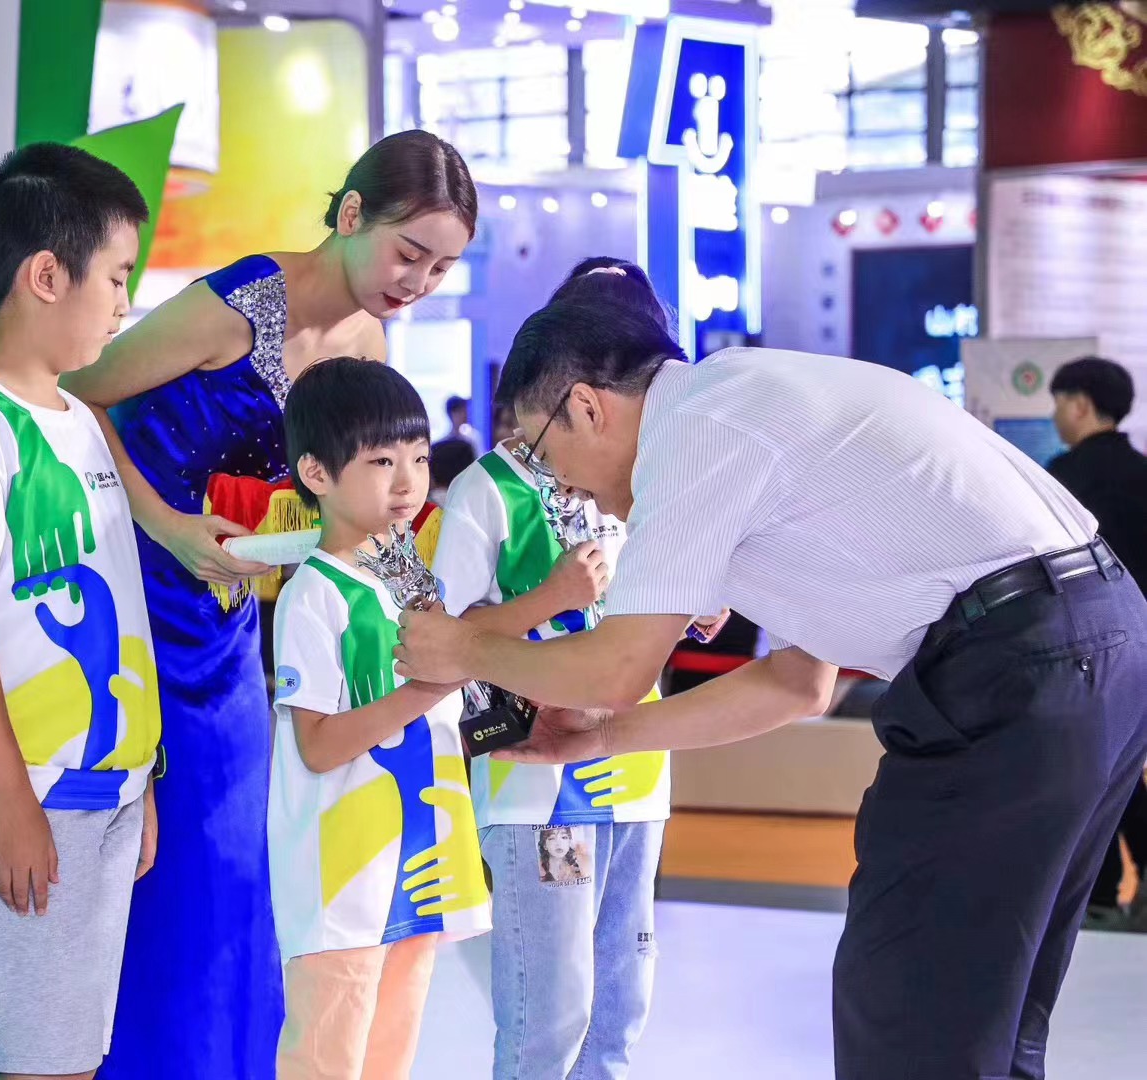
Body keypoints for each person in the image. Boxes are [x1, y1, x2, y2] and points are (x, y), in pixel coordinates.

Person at [393, 260, 1147, 1080]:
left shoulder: (696, 433)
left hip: (1017, 666)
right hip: (1094, 647)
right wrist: (602, 738)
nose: (565, 488)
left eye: (546, 455)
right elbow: (796, 684)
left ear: (586, 405)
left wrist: (463, 649)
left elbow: (616, 667)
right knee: (987, 1016)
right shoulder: (746, 414)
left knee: (914, 1005)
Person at [58, 129, 476, 1080]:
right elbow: (74, 397)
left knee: (250, 856)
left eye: (443, 268)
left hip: (236, 607)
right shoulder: (240, 302)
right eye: (409, 253)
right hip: (140, 588)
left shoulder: (368, 341)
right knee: (178, 858)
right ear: (352, 213)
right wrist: (167, 524)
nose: (418, 282)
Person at [0, 144, 161, 1080]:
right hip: (30, 796)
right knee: (44, 1060)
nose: (126, 301)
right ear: (47, 276)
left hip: (107, 791)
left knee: (75, 1051)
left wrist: (140, 777)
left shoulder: (81, 419)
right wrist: (9, 798)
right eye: (117, 277)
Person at [431, 258, 673, 1080]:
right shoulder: (488, 489)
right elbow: (439, 638)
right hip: (542, 790)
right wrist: (552, 598)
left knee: (619, 1009)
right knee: (550, 1016)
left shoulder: (645, 480)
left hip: (636, 773)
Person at [271, 357, 489, 1078]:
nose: (407, 483)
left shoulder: (411, 583)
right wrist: (428, 687)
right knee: (326, 1058)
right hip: (342, 879)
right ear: (316, 472)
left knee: (390, 1056)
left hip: (421, 856)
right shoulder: (314, 593)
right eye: (381, 461)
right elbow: (317, 745)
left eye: (419, 459)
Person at [1047, 356, 1147, 929]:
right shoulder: (1141, 472)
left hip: (1084, 649)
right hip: (1142, 643)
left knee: (1087, 773)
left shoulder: (1063, 478)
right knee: (1128, 763)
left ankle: (1099, 892)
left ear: (1080, 404)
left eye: (1059, 403)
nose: (1056, 415)